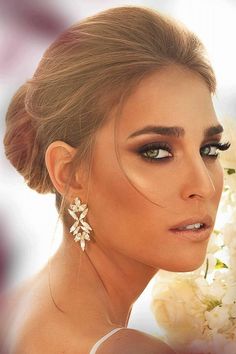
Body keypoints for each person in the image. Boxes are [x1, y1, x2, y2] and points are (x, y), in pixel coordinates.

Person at [2, 5, 231, 354]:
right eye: (156, 151)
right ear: (69, 172)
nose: (204, 185)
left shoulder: (16, 308)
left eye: (210, 149)